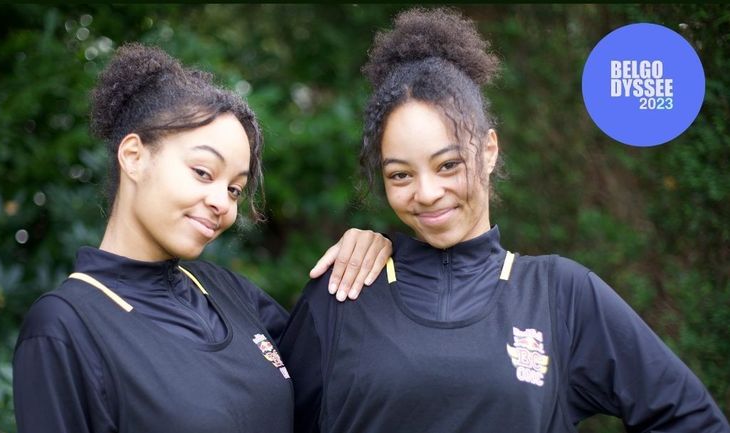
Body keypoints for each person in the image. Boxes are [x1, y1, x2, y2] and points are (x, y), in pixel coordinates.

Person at [279, 8, 730, 433]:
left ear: (489, 150)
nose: (428, 192)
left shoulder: (561, 295)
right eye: (401, 174)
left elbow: (692, 420)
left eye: (448, 165)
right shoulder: (342, 292)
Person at [12, 43, 392, 433]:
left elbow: (341, 392)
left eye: (234, 189)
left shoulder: (229, 293)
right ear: (133, 156)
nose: (221, 203)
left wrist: (367, 251)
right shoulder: (65, 327)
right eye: (203, 172)